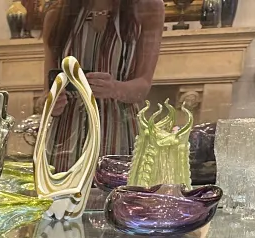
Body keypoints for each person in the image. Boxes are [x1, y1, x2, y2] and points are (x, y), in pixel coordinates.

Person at [42, 0, 166, 169]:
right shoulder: (57, 14)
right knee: (63, 194)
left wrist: (115, 88)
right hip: (64, 141)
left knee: (116, 192)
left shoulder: (147, 7)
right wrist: (52, 103)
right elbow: (46, 93)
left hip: (119, 135)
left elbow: (143, 85)